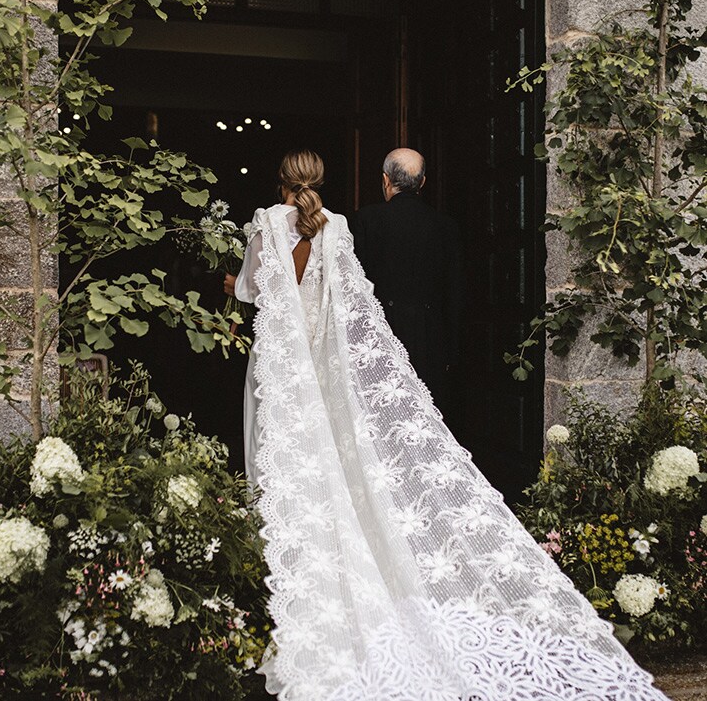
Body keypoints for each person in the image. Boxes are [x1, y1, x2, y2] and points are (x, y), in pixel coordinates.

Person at [224, 150, 666, 701]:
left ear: (281, 182)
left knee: (285, 460)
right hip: (345, 357)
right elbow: (364, 300)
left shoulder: (270, 223)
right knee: (348, 454)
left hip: (286, 362)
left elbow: (251, 291)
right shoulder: (340, 226)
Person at [351, 148, 462, 411]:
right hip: (430, 339)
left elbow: (355, 283)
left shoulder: (365, 220)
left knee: (381, 415)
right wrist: (452, 350)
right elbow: (455, 291)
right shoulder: (446, 226)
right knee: (424, 415)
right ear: (422, 182)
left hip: (379, 336)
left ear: (386, 180)